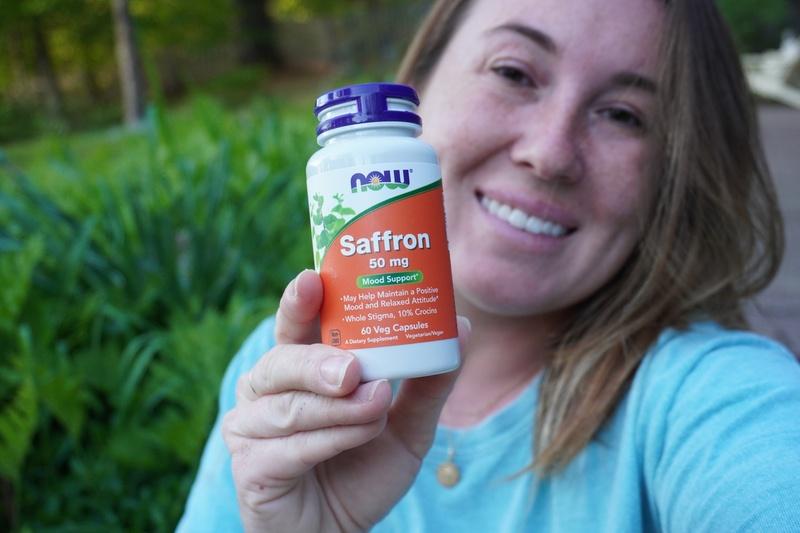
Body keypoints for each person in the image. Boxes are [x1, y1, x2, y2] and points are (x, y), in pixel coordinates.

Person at [177, 0, 800, 531]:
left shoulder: (711, 397)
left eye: (623, 115)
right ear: (417, 84)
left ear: (675, 174)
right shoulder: (287, 379)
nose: (549, 153)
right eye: (513, 73)